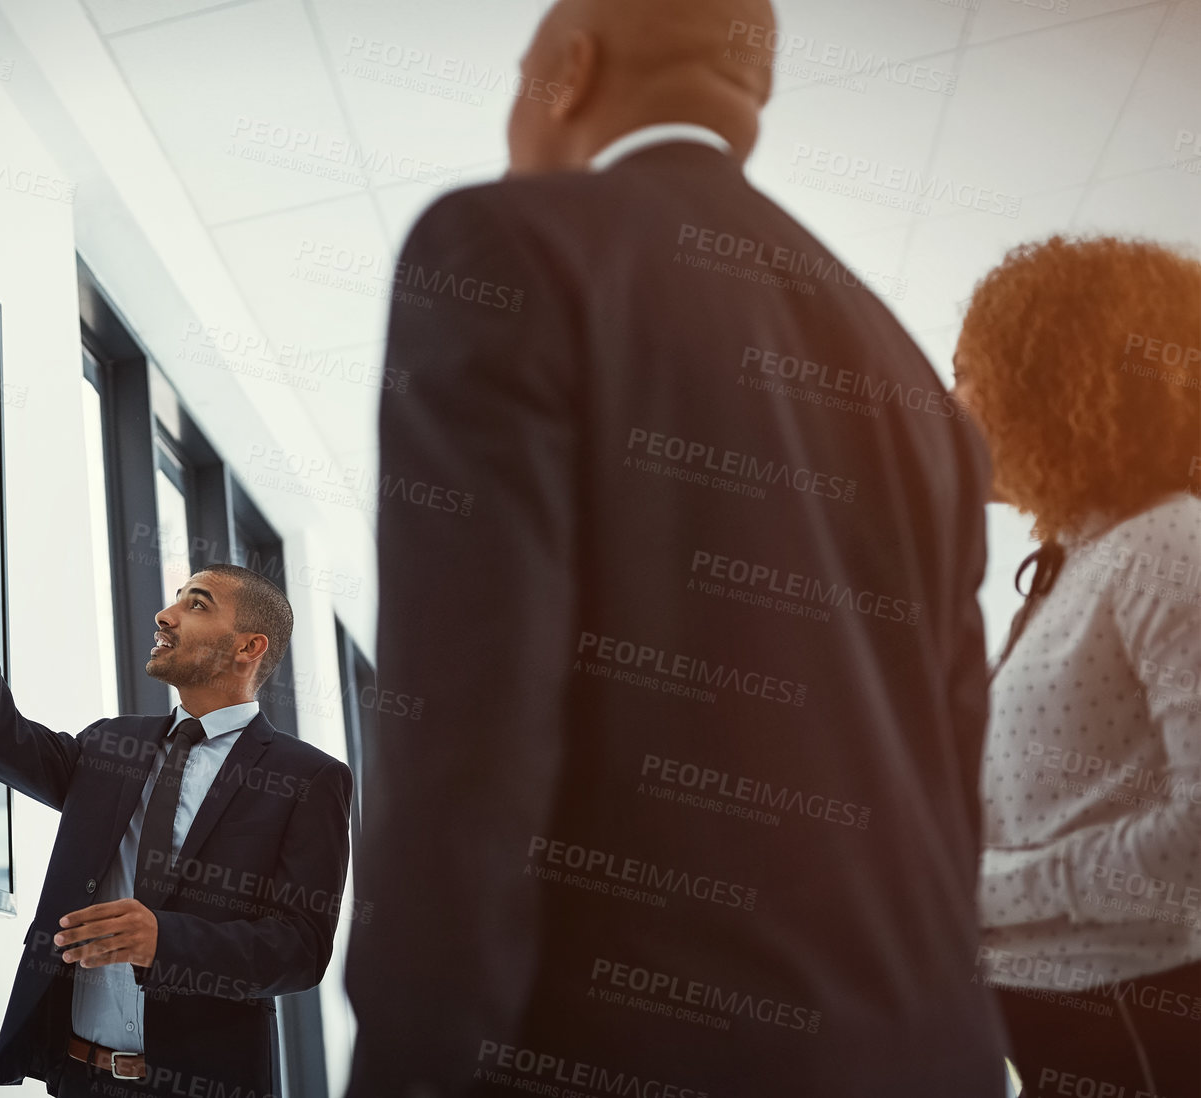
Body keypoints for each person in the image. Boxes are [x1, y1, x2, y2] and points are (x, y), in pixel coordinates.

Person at [344, 0, 1010, 1094]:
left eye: (516, 81)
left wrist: (412, 1068)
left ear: (569, 67)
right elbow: (950, 795)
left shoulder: (502, 250)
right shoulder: (913, 386)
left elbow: (468, 742)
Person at [0, 447, 352, 1097]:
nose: (165, 615)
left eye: (195, 605)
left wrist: (163, 940)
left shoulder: (307, 778)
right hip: (76, 1076)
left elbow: (298, 951)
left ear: (247, 648)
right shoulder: (110, 745)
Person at [955, 236, 1201, 1098]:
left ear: (1050, 380)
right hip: (1062, 1009)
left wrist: (987, 891)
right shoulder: (1080, 551)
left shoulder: (1167, 544)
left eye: (971, 372)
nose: (955, 402)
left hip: (1130, 1013)